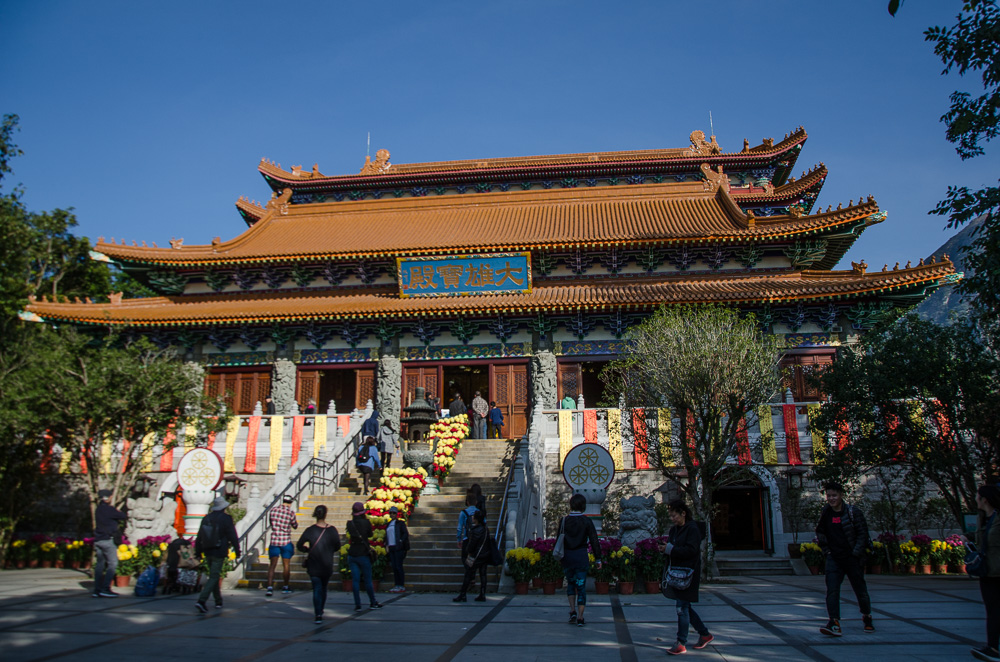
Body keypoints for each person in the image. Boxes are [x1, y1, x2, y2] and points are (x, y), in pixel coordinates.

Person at [815, 482, 875, 637]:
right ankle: (834, 622)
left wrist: (856, 553)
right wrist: (826, 551)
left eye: (834, 495)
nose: (831, 498)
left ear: (841, 495)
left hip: (852, 558)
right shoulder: (826, 512)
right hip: (834, 558)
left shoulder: (853, 512)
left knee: (860, 589)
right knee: (832, 590)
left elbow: (862, 534)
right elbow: (820, 531)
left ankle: (867, 616)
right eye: (829, 495)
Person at [661, 499, 713, 655]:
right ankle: (704, 634)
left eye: (674, 515)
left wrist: (670, 549)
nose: (672, 519)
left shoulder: (692, 529)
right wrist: (665, 549)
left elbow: (691, 550)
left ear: (683, 513)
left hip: (688, 573)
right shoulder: (674, 530)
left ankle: (681, 642)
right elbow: (672, 547)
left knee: (681, 607)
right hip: (676, 573)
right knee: (685, 607)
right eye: (670, 516)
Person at [559, 493, 602, 626]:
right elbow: (594, 540)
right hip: (581, 557)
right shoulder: (586, 521)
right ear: (583, 506)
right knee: (581, 587)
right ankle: (580, 617)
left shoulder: (564, 521)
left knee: (570, 585)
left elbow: (558, 539)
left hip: (567, 557)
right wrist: (598, 558)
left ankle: (572, 610)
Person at [296, 504, 341, 624]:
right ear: (325, 515)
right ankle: (321, 609)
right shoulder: (332, 530)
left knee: (316, 588)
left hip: (314, 563)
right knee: (324, 588)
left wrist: (307, 550)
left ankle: (318, 614)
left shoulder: (310, 530)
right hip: (327, 563)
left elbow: (299, 545)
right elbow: (337, 546)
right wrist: (329, 550)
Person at [194, 496, 241, 613]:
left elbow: (199, 536)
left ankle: (218, 600)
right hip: (219, 550)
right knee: (214, 576)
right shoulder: (226, 518)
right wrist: (237, 550)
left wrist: (198, 551)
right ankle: (202, 600)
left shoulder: (206, 518)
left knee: (214, 574)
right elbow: (232, 535)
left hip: (207, 550)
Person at [972, 485, 1000, 661]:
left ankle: (993, 648)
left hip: (998, 571)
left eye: (978, 496)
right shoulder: (982, 518)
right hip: (987, 572)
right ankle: (992, 647)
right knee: (992, 611)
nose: (975, 499)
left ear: (985, 499)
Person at [346, 501, 382, 611]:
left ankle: (357, 604)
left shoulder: (350, 523)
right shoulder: (366, 523)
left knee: (355, 580)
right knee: (367, 580)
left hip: (352, 553)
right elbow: (370, 534)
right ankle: (372, 602)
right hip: (363, 553)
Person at [92, 489, 125, 598]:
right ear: (109, 497)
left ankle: (97, 590)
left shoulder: (98, 509)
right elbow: (123, 516)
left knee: (100, 565)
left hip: (98, 540)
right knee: (112, 564)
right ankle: (106, 588)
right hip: (107, 540)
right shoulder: (110, 510)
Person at [453, 510, 492, 602]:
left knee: (468, 573)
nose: (472, 518)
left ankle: (463, 594)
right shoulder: (485, 529)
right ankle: (482, 593)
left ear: (476, 519)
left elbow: (472, 545)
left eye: (474, 516)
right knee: (483, 574)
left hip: (475, 556)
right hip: (484, 555)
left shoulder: (475, 530)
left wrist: (468, 551)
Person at [265, 494, 299, 597]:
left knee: (272, 565)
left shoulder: (273, 510)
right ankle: (285, 586)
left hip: (274, 540)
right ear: (290, 503)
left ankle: (269, 587)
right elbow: (295, 525)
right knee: (286, 565)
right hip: (285, 540)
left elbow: (271, 523)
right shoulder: (290, 512)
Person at [385, 505, 410, 593]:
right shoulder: (388, 524)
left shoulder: (400, 523)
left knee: (399, 566)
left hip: (398, 547)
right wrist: (386, 545)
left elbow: (405, 533)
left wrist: (400, 541)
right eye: (391, 513)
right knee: (394, 567)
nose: (392, 514)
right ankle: (396, 584)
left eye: (394, 513)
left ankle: (401, 585)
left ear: (397, 514)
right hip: (391, 547)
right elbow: (387, 535)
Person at [457, 490, 480, 558]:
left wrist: (459, 539)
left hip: (467, 538)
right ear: (476, 502)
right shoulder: (479, 512)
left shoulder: (463, 513)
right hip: (478, 539)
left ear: (467, 502)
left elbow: (459, 528)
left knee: (465, 558)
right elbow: (484, 524)